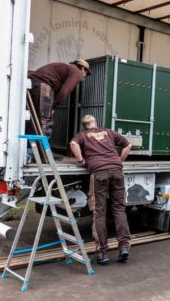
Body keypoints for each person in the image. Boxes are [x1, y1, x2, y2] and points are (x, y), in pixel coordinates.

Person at [70, 115, 132, 265]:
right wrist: (118, 160)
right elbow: (128, 145)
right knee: (119, 209)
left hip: (99, 173)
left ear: (84, 126)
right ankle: (124, 247)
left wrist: (80, 160)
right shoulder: (108, 132)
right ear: (95, 123)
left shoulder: (83, 135)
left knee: (99, 212)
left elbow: (73, 144)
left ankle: (102, 253)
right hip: (117, 171)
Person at [27, 60, 91, 137]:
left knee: (34, 116)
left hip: (32, 84)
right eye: (86, 73)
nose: (84, 76)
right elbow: (65, 91)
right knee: (45, 118)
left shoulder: (66, 68)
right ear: (83, 69)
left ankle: (32, 145)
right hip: (41, 85)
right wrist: (53, 107)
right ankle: (41, 147)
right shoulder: (77, 72)